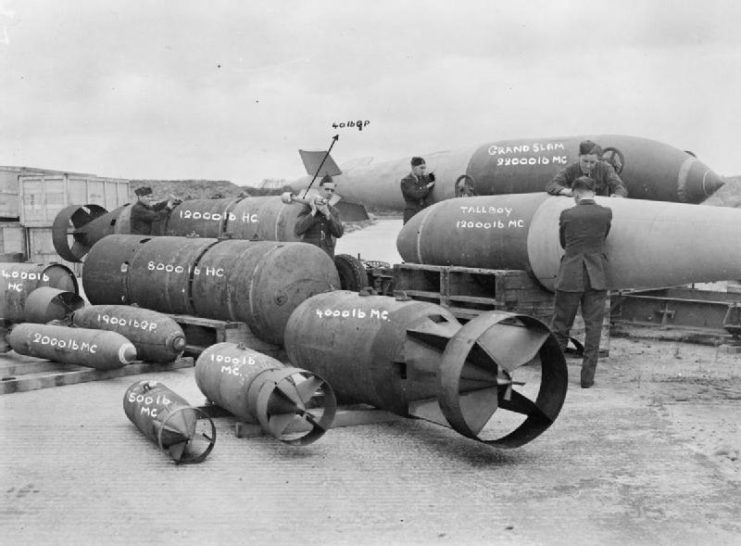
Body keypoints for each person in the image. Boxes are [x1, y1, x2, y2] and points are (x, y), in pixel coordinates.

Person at [550, 176, 612, 388]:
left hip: (570, 276)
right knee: (593, 329)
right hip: (596, 276)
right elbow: (603, 238)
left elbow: (563, 243)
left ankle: (555, 379)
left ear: (576, 194)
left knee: (560, 327)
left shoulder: (567, 214)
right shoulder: (606, 213)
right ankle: (587, 380)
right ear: (593, 193)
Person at [546, 140, 628, 198]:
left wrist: (619, 195)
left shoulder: (606, 168)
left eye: (592, 162)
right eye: (585, 161)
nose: (588, 166)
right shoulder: (571, 169)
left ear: (598, 160)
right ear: (579, 157)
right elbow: (552, 184)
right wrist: (566, 191)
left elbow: (619, 186)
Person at [294, 175, 344, 257]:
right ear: (319, 190)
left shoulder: (334, 211)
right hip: (309, 253)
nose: (329, 193)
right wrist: (313, 212)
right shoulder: (308, 207)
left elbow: (339, 233)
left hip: (327, 254)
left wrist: (328, 215)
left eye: (332, 190)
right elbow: (298, 230)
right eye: (327, 189)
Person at [400, 156, 435, 224]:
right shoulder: (406, 181)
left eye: (424, 168)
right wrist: (427, 186)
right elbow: (416, 194)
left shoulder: (424, 179)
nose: (423, 170)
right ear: (413, 168)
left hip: (423, 214)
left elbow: (432, 178)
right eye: (421, 168)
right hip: (411, 214)